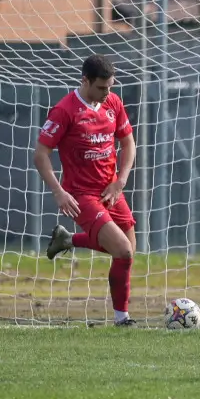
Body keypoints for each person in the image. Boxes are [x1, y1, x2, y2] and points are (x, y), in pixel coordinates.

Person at [35, 55, 138, 326]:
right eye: (101, 87)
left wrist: (120, 181)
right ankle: (122, 319)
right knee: (123, 250)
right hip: (82, 194)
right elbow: (41, 154)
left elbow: (128, 143)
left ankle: (68, 240)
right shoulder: (64, 110)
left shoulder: (113, 103)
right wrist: (58, 191)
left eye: (110, 87)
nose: (107, 93)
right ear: (85, 81)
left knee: (128, 250)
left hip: (111, 189)